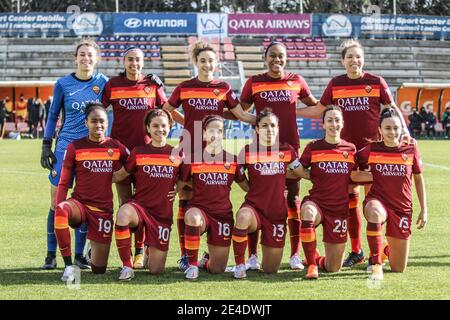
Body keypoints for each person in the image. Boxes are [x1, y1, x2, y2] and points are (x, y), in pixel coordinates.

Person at [297, 39, 410, 268]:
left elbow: (391, 108)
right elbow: (320, 109)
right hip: (344, 153)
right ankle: (357, 250)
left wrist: (405, 131)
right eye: (349, 57)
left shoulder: (376, 82)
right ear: (342, 61)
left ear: (363, 59)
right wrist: (291, 111)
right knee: (349, 202)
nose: (354, 61)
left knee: (375, 203)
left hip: (372, 153)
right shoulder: (336, 84)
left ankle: (378, 252)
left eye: (358, 56)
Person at [163, 40, 255, 271]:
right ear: (196, 62)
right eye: (202, 60)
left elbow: (241, 115)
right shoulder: (184, 87)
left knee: (211, 194)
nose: (207, 64)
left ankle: (207, 247)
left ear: (217, 63)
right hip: (190, 147)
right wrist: (187, 123)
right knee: (186, 196)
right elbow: (166, 110)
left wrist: (262, 121)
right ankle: (186, 255)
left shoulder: (223, 87)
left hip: (215, 150)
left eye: (211, 60)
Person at [239, 41, 319, 271]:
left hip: (289, 150)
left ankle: (295, 255)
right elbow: (241, 111)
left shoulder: (296, 80)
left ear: (286, 58)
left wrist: (294, 111)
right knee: (259, 199)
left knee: (293, 200)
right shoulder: (254, 82)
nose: (277, 60)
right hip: (261, 153)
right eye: (272, 55)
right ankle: (252, 256)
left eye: (281, 56)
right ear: (265, 58)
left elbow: (316, 106)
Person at [40, 39, 108, 270]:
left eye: (90, 55)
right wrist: (46, 145)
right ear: (75, 58)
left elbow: (115, 111)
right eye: (82, 55)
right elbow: (52, 115)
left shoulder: (103, 83)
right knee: (55, 202)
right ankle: (51, 254)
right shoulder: (63, 84)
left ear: (96, 59)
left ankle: (79, 255)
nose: (86, 59)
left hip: (91, 151)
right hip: (65, 148)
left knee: (85, 202)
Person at [102, 46, 167, 269]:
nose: (134, 64)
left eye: (138, 60)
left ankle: (140, 251)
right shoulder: (112, 85)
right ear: (124, 62)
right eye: (130, 59)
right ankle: (126, 252)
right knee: (124, 203)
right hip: (120, 154)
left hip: (147, 155)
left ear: (143, 62)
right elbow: (97, 112)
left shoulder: (152, 85)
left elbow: (165, 113)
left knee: (143, 203)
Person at [293, 106, 370, 279]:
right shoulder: (313, 147)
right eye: (329, 120)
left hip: (339, 210)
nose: (333, 124)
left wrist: (379, 176)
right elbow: (299, 169)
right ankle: (312, 265)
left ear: (342, 124)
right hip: (317, 203)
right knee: (307, 212)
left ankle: (317, 258)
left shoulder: (351, 149)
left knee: (333, 268)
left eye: (337, 120)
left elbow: (355, 175)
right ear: (323, 124)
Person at [54, 103, 128, 282]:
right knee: (61, 211)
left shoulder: (115, 146)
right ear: (86, 123)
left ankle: (91, 250)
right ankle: (68, 266)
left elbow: (133, 162)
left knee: (99, 269)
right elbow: (64, 181)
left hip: (102, 210)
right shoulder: (75, 147)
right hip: (79, 204)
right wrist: (58, 204)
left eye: (102, 121)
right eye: (93, 121)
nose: (98, 125)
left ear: (107, 123)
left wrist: (121, 175)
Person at [232, 109, 309, 279]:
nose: (269, 129)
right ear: (257, 129)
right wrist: (250, 189)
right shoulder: (247, 151)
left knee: (270, 269)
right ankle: (240, 265)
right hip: (254, 208)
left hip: (276, 213)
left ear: (278, 128)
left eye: (273, 125)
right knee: (243, 216)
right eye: (264, 125)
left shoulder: (287, 150)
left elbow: (301, 172)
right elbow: (238, 175)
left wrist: (328, 177)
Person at [357, 108, 427, 280]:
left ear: (401, 129)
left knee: (398, 268)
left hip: (401, 208)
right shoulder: (370, 149)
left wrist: (424, 209)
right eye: (387, 128)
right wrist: (360, 175)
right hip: (377, 201)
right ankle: (376, 264)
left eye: (396, 128)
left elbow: (418, 178)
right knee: (374, 212)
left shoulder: (410, 148)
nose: (392, 132)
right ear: (380, 130)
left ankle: (385, 250)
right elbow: (350, 164)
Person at [112, 109, 182, 281]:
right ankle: (127, 266)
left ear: (170, 127)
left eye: (163, 125)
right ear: (148, 128)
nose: (160, 129)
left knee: (156, 270)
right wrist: (91, 173)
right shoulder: (138, 152)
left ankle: (150, 248)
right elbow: (120, 175)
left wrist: (178, 187)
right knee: (123, 213)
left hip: (161, 216)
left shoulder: (177, 154)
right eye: (155, 125)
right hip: (140, 209)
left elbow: (188, 179)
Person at [180, 115, 249, 280]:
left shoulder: (232, 160)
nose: (216, 135)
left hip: (222, 216)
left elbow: (247, 186)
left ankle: (205, 262)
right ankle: (192, 266)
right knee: (191, 216)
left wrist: (272, 192)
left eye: (220, 131)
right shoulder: (192, 159)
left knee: (217, 269)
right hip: (200, 211)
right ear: (203, 134)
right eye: (211, 130)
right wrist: (168, 193)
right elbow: (181, 182)